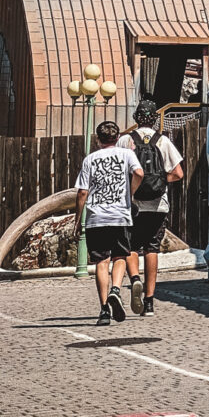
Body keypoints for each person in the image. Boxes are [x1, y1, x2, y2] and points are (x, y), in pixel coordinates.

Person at [117, 98, 183, 316]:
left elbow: (119, 171)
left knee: (130, 247)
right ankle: (149, 302)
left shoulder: (125, 140)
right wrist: (160, 181)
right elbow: (178, 173)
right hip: (158, 205)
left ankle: (135, 278)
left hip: (132, 204)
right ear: (155, 119)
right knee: (152, 248)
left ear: (136, 118)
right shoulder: (162, 141)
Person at [75, 120, 143, 326]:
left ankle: (104, 310)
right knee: (120, 256)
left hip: (96, 217)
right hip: (119, 215)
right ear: (117, 138)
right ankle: (116, 289)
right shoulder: (127, 155)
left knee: (101, 263)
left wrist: (78, 219)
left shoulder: (90, 159)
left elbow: (82, 192)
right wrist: (130, 193)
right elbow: (139, 173)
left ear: (98, 139)